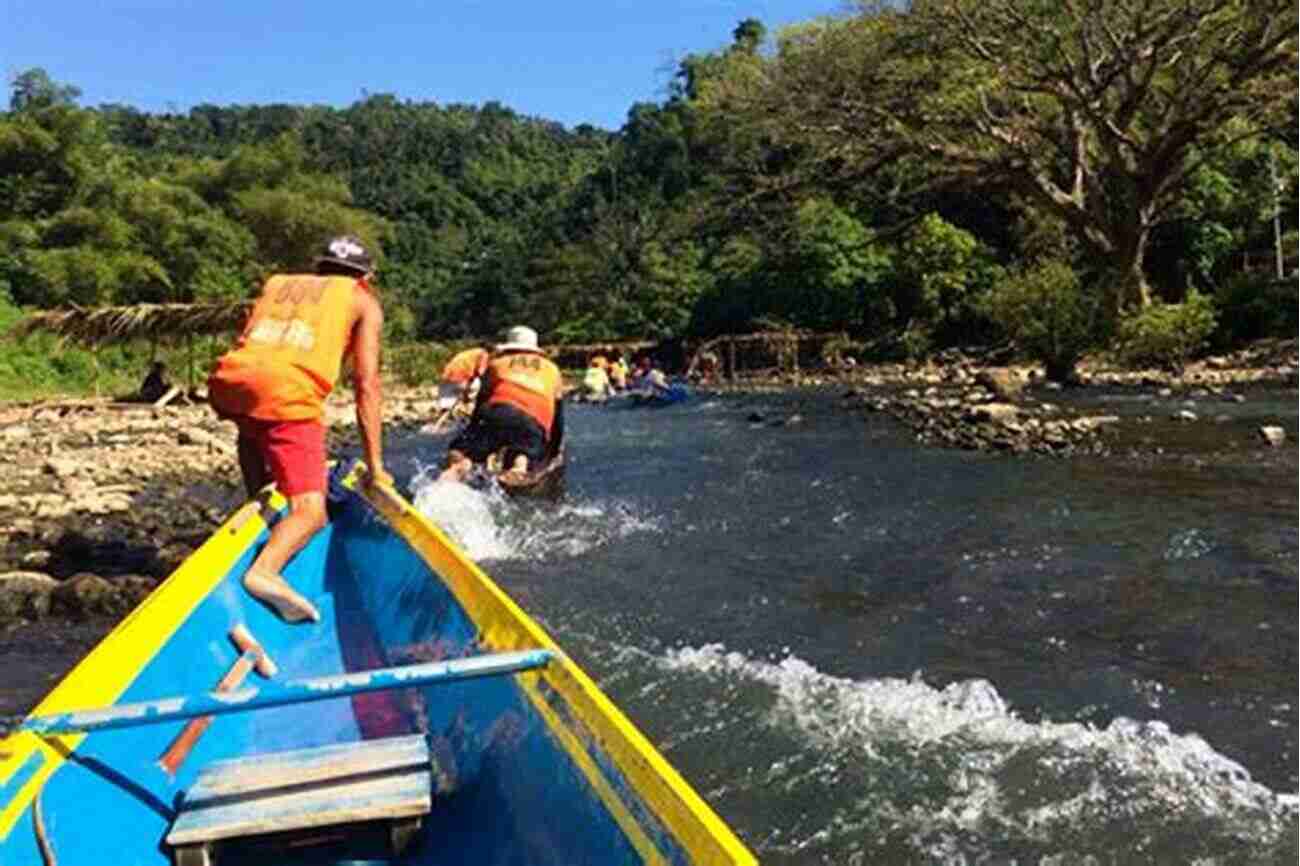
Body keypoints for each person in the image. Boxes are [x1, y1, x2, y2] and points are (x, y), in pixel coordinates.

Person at [207, 234, 391, 623]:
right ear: (366, 276)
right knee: (311, 512)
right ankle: (265, 572)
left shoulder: (281, 285)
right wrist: (376, 469)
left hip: (229, 381)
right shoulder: (362, 301)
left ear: (319, 267)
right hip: (287, 393)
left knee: (257, 424)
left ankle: (258, 498)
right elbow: (367, 385)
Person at [438, 325, 564, 484]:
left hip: (496, 411)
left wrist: (474, 429)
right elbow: (558, 417)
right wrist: (554, 450)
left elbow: (482, 400)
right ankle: (520, 466)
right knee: (524, 449)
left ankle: (458, 468)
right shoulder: (553, 370)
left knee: (463, 450)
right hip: (533, 423)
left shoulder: (497, 363)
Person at [436, 345, 490, 423]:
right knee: (478, 389)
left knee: (446, 407)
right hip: (462, 379)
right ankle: (470, 415)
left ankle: (438, 424)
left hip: (446, 379)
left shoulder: (467, 354)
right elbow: (481, 373)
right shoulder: (483, 354)